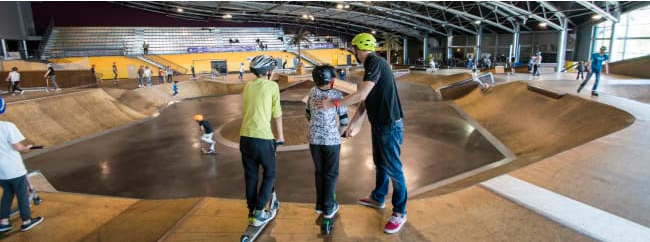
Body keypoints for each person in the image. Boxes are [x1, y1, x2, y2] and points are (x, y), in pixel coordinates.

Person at [316, 33, 407, 234]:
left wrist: (333, 103)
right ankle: (378, 197)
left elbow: (361, 94)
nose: (354, 53)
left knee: (394, 168)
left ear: (357, 49)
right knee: (380, 163)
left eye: (354, 50)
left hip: (390, 125)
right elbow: (366, 100)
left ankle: (400, 212)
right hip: (381, 124)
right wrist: (354, 124)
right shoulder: (372, 66)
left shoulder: (375, 62)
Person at [239, 55, 285, 227]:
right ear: (268, 71)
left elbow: (261, 89)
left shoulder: (248, 85)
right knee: (270, 174)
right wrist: (280, 137)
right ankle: (259, 212)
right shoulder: (273, 86)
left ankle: (252, 211)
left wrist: (267, 76)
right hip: (263, 137)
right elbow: (277, 113)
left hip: (245, 137)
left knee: (251, 175)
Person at [305, 65, 349, 221]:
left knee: (320, 171)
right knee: (331, 173)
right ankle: (329, 206)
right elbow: (344, 119)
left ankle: (320, 205)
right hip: (331, 140)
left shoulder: (312, 92)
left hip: (314, 139)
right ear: (331, 80)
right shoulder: (336, 94)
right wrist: (342, 130)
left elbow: (308, 114)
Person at [0, 97, 44, 233]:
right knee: (22, 194)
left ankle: (4, 222)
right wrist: (27, 147)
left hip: (1, 172)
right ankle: (26, 221)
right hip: (13, 168)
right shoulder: (7, 126)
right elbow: (18, 147)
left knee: (7, 193)